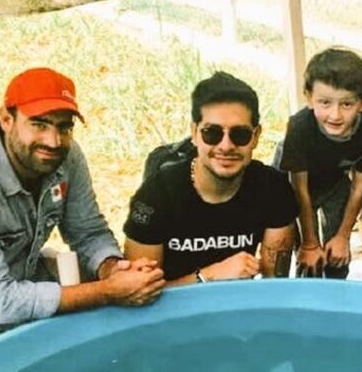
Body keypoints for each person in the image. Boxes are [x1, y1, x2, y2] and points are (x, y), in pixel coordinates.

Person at [0, 68, 164, 366]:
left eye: (64, 127)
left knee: (121, 346)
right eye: (39, 124)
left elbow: (88, 231)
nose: (54, 140)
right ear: (6, 119)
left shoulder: (67, 156)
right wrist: (107, 291)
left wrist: (113, 268)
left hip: (25, 286)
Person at [123, 71, 296, 284]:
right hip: (174, 311)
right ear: (195, 133)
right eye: (212, 133)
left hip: (238, 306)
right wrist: (209, 276)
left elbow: (275, 285)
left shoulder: (273, 189)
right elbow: (137, 293)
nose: (226, 145)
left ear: (256, 136)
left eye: (239, 134)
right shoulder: (157, 194)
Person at [275, 48, 362, 278]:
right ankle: (295, 288)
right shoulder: (300, 126)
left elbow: (359, 185)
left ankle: (337, 287)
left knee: (337, 254)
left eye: (346, 104)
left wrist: (344, 236)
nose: (335, 115)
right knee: (301, 254)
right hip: (291, 184)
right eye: (325, 103)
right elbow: (299, 189)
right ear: (309, 98)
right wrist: (309, 243)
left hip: (335, 180)